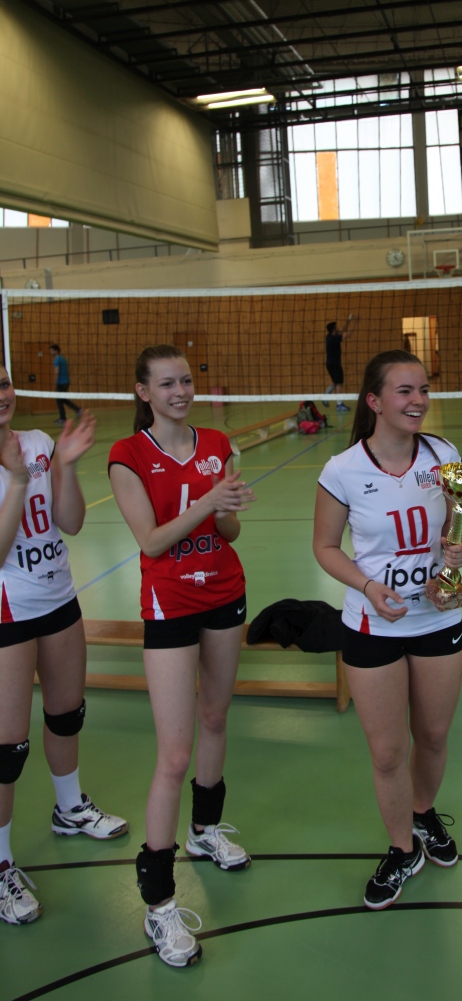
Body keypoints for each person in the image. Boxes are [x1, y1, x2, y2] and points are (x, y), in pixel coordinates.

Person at [108, 345, 254, 968]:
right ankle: (159, 904)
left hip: (225, 592)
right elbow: (151, 541)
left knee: (215, 718)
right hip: (169, 604)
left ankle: (206, 831)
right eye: (166, 383)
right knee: (173, 754)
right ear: (144, 392)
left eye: (187, 380)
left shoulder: (218, 443)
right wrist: (207, 500)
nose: (181, 392)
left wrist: (227, 509)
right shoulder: (128, 456)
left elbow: (228, 532)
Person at [313, 349, 462, 910]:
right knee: (387, 753)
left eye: (423, 389)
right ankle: (403, 849)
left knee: (433, 736)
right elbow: (325, 547)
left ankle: (423, 813)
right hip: (371, 625)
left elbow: (456, 527)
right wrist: (366, 585)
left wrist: (455, 558)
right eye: (405, 391)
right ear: (375, 402)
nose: (419, 400)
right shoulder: (342, 469)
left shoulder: (445, 455)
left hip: (437, 618)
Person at [0, 378, 127, 928]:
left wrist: (66, 466)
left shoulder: (37, 443)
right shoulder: (17, 461)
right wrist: (15, 480)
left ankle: (69, 808)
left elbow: (70, 523)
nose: (1, 394)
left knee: (66, 714)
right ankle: (0, 863)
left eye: (3, 383)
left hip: (58, 598)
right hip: (7, 611)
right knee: (7, 749)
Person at [324, 314, 359, 412]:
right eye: (336, 327)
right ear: (334, 329)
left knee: (336, 381)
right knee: (339, 383)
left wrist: (349, 320)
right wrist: (356, 322)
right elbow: (348, 333)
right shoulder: (334, 339)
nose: (338, 328)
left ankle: (326, 394)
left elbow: (342, 329)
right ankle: (339, 404)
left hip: (330, 364)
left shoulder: (329, 336)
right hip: (335, 364)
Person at [49, 345, 80, 426]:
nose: (50, 352)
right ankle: (78, 410)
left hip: (61, 383)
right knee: (63, 399)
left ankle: (63, 418)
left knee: (59, 401)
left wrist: (55, 383)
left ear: (56, 351)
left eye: (52, 351)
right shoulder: (63, 358)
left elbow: (57, 372)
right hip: (66, 381)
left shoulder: (57, 359)